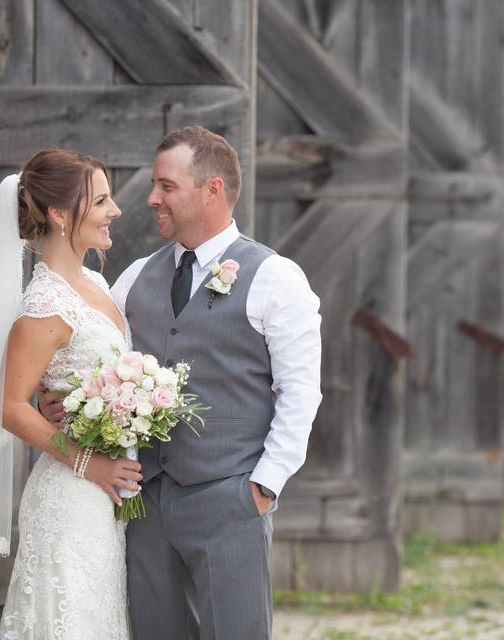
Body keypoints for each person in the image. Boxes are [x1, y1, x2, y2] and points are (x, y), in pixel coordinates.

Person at [40, 126, 323, 639]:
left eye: (166, 187)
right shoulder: (135, 277)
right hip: (144, 503)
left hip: (228, 499)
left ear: (212, 189)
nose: (151, 199)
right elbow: (95, 360)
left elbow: (301, 392)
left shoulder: (276, 278)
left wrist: (263, 486)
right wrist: (58, 401)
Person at [0, 149, 142, 639]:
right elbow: (8, 407)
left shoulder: (94, 282)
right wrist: (91, 463)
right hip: (70, 494)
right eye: (102, 201)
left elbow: (69, 374)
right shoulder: (44, 304)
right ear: (60, 213)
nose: (115, 211)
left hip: (102, 498)